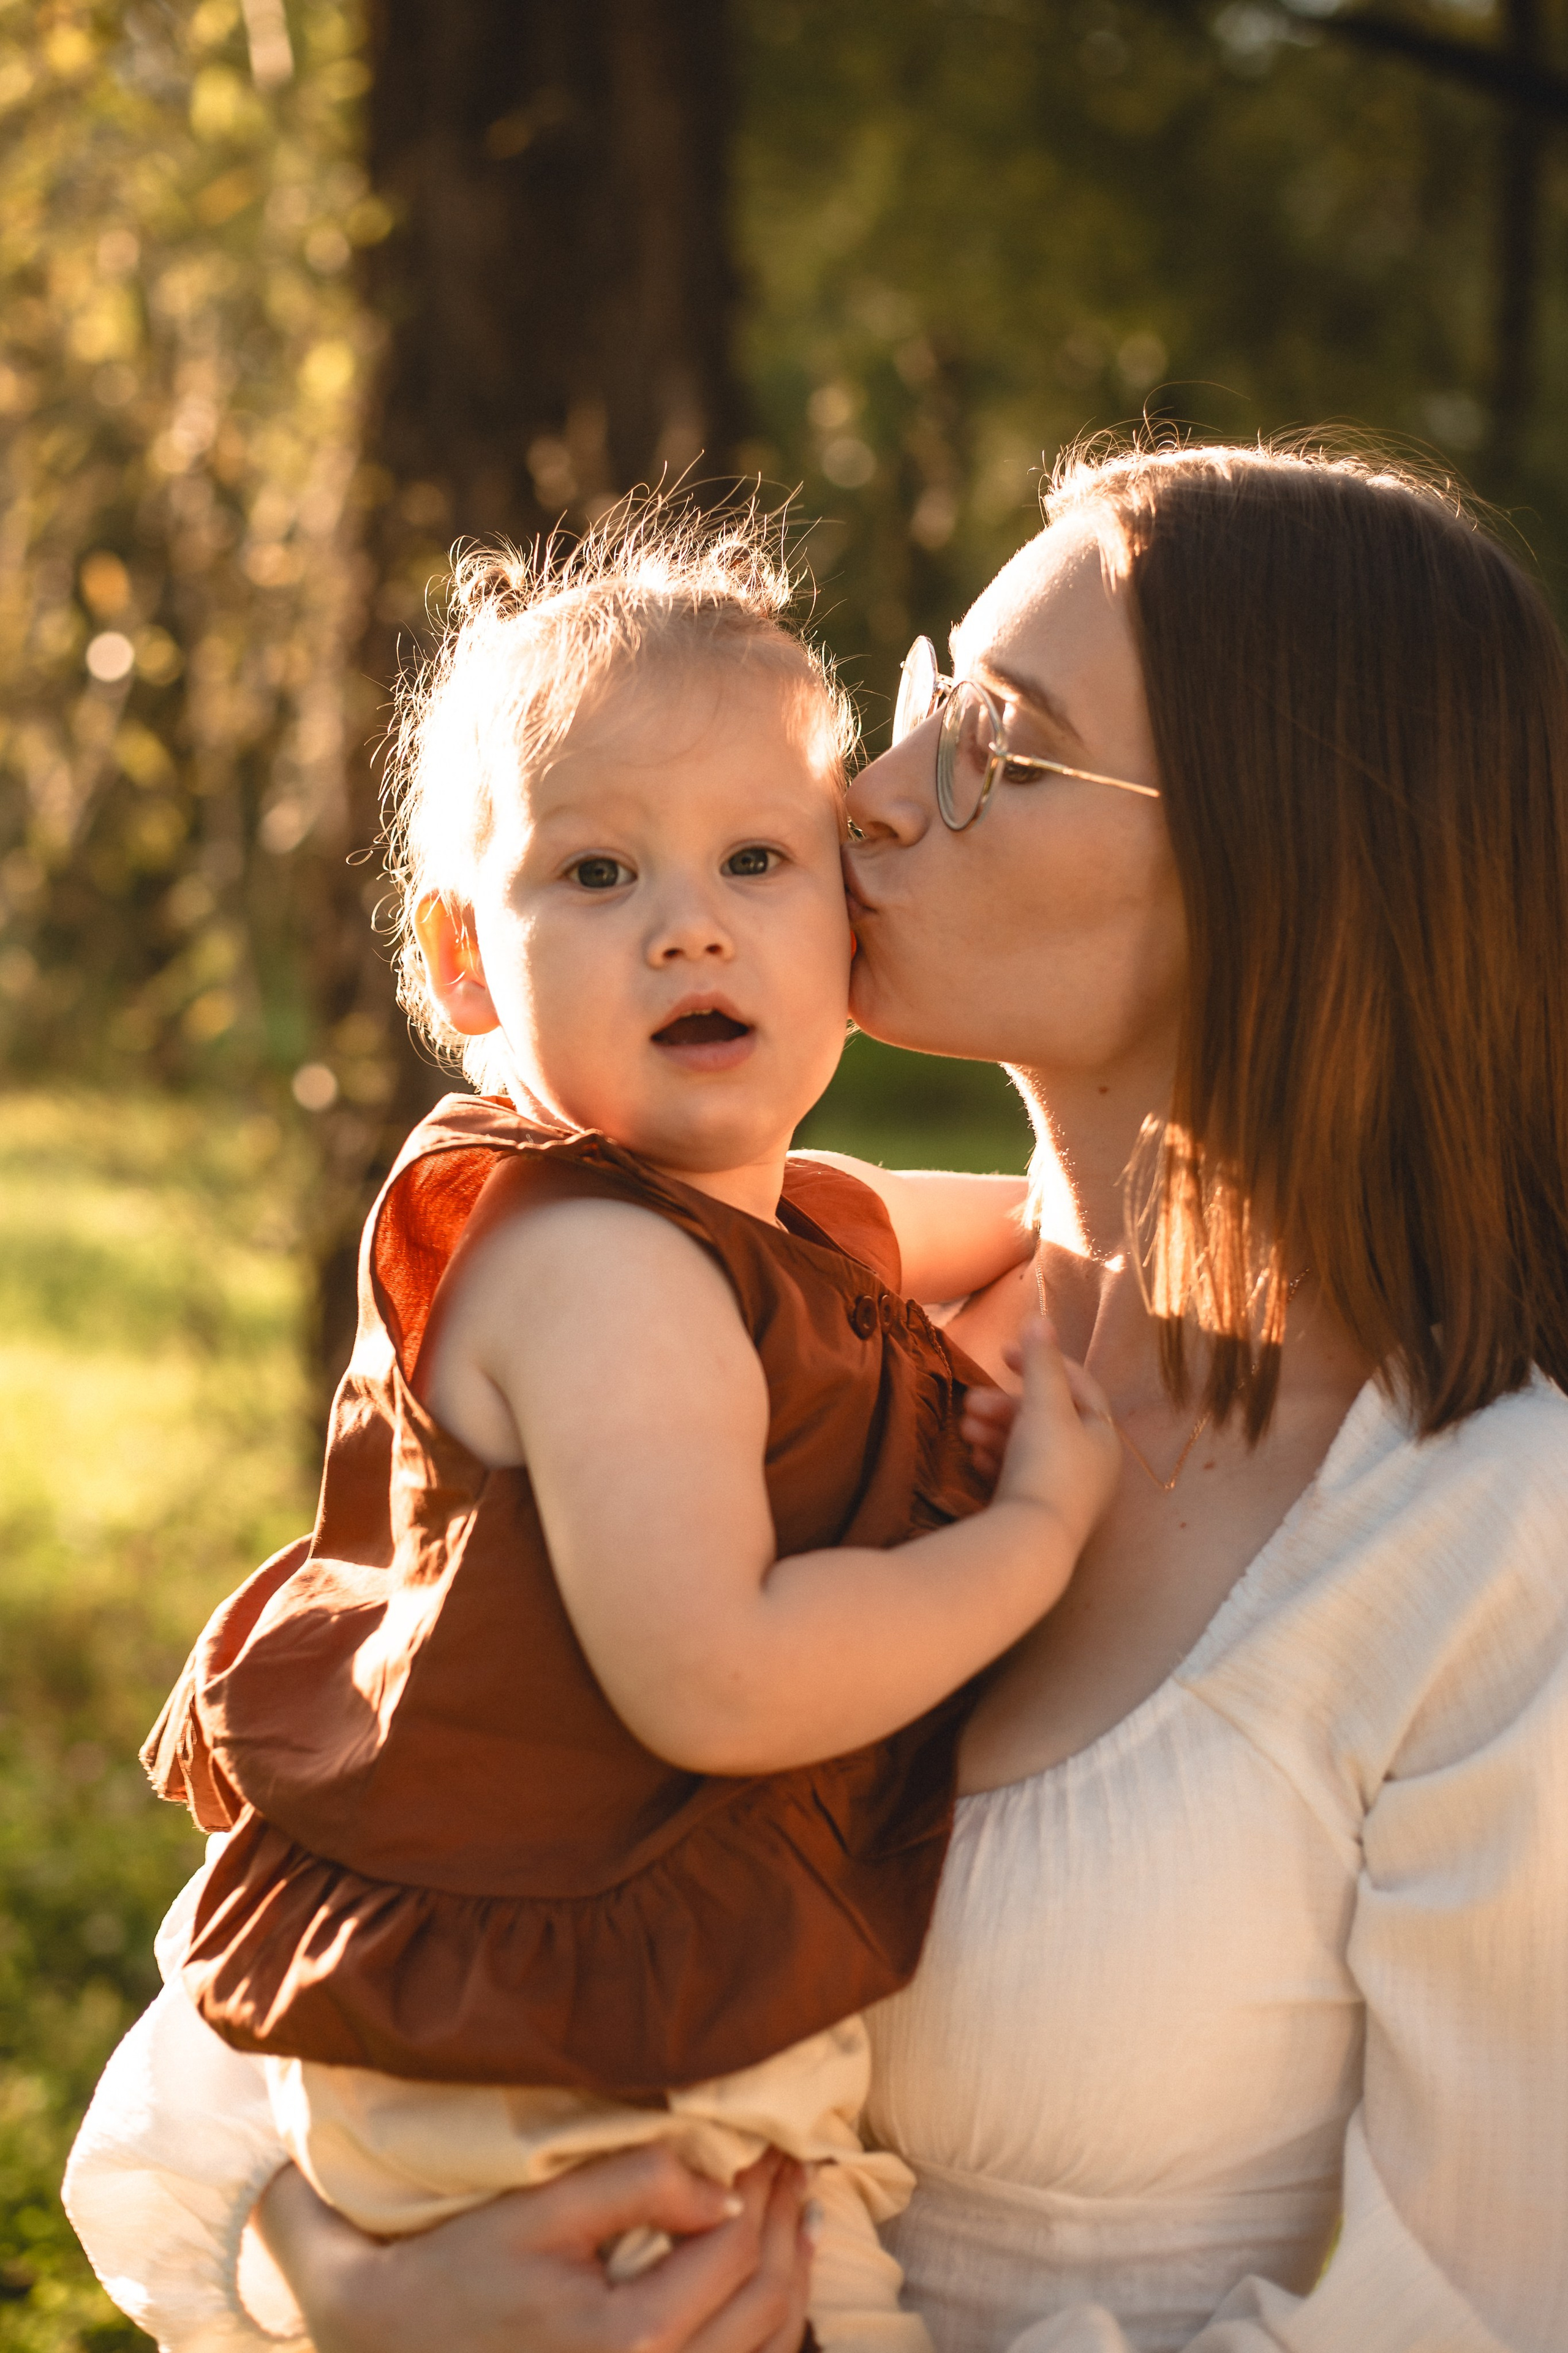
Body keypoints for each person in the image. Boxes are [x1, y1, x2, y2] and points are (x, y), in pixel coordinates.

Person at [67, 438, 1568, 2353]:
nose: (867, 788)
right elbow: (243, 2059)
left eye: (997, 747)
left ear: (1276, 865)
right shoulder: (761, 1348)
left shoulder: (1487, 1540)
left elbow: (1476, 2307)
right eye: (926, 696)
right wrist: (357, 2278)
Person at [66, 509, 1123, 2353]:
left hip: (615, 2060)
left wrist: (1116, 1192)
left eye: (754, 859)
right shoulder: (599, 1276)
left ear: (842, 918)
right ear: (467, 962)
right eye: (601, 871)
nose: (691, 918)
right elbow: (714, 1679)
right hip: (564, 2106)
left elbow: (983, 1218)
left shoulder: (744, 1211)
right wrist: (1023, 1543)